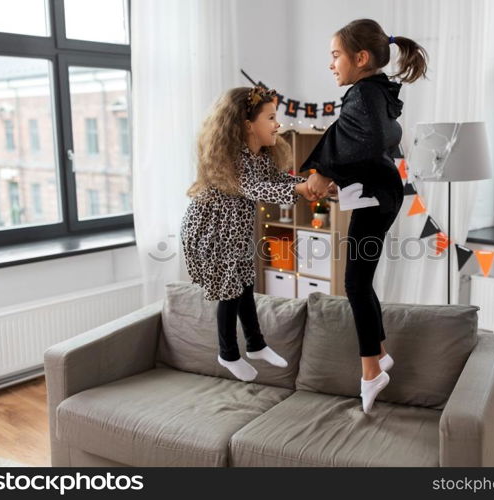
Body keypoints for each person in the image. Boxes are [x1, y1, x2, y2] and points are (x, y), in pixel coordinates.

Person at [299, 18, 429, 413]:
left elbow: (364, 138)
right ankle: (379, 357)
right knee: (359, 281)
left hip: (377, 198)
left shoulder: (364, 94)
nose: (331, 64)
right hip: (379, 194)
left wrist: (324, 171)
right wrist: (339, 176)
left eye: (335, 55)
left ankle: (371, 369)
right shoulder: (372, 93)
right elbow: (367, 140)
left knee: (354, 283)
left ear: (361, 57)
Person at [181, 86, 329, 382]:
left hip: (234, 232)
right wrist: (301, 188)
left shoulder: (260, 156)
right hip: (210, 232)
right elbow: (258, 189)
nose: (278, 124)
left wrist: (312, 185)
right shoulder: (234, 159)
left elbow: (276, 181)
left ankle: (256, 343)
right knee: (230, 291)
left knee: (246, 282)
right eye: (271, 118)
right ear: (248, 125)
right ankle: (228, 353)